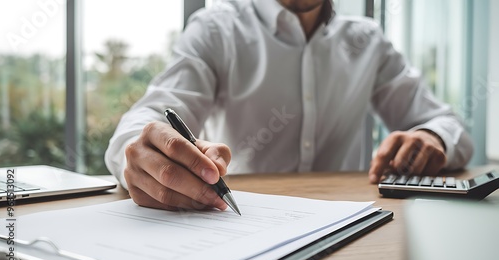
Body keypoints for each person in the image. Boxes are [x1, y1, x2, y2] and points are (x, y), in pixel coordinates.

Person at [105, 0, 473, 211]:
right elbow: (151, 116)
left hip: (355, 223)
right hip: (238, 227)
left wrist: (431, 137)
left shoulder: (367, 41)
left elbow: (445, 123)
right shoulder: (217, 30)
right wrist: (138, 151)